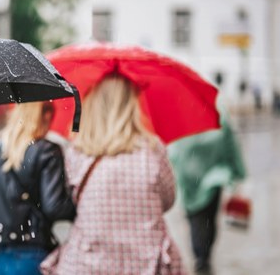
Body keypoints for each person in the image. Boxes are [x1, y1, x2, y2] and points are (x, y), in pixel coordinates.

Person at [45, 75, 185, 274]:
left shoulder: (77, 152)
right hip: (146, 264)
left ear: (92, 106)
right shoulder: (153, 150)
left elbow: (73, 200)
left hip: (89, 264)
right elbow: (168, 200)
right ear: (130, 107)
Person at [0, 101, 75, 275]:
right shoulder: (47, 152)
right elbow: (54, 207)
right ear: (46, 115)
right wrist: (76, 203)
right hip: (30, 256)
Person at [168, 105, 246, 274]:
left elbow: (173, 152)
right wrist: (239, 172)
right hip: (213, 179)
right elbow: (230, 145)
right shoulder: (218, 114)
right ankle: (204, 256)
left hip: (189, 181)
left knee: (195, 219)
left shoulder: (180, 117)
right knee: (209, 219)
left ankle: (200, 257)